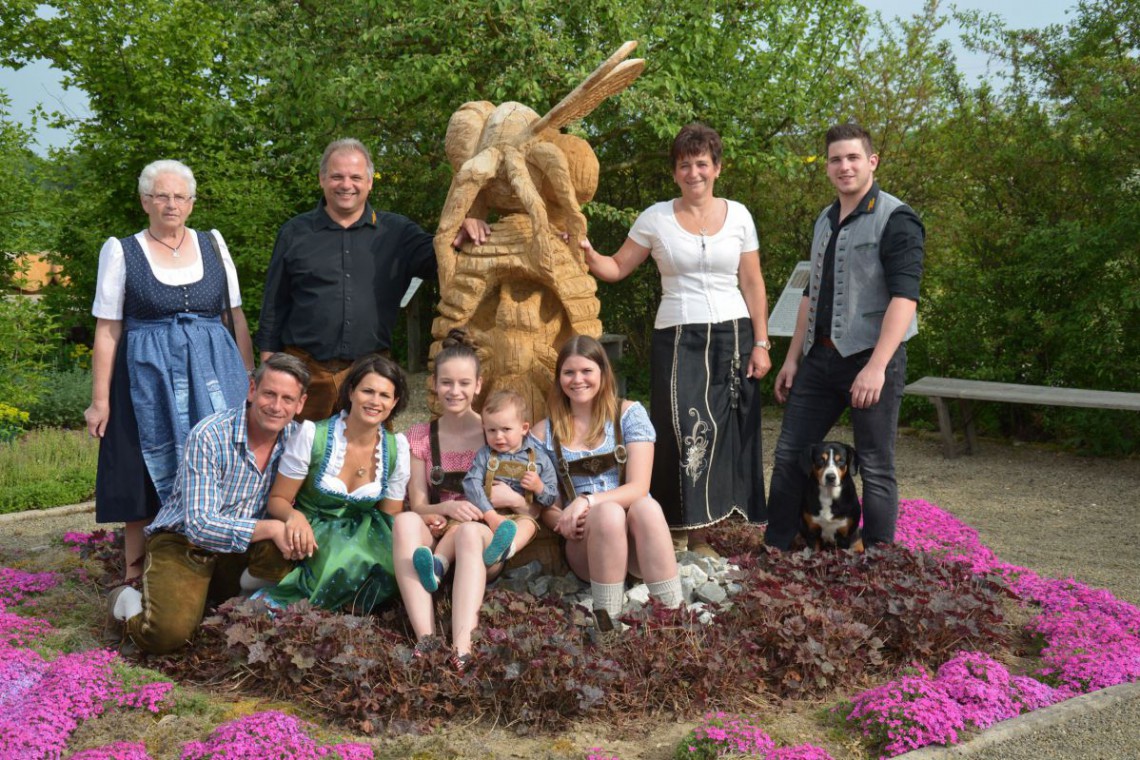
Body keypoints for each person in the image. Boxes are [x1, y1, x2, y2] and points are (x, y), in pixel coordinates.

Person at [580, 123, 770, 555]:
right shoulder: (655, 218)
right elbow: (616, 268)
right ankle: (686, 529)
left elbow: (753, 282)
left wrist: (761, 342)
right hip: (678, 334)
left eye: (702, 163)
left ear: (717, 168)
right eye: (685, 165)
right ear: (674, 173)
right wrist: (588, 253)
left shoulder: (739, 215)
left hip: (735, 333)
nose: (694, 173)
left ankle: (730, 518)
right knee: (683, 426)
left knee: (733, 426)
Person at [85, 159, 256, 584]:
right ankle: (137, 576)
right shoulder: (122, 251)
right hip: (147, 377)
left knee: (224, 463)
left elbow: (234, 316)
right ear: (145, 201)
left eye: (179, 196)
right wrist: (100, 400)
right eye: (161, 195)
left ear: (192, 203)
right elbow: (107, 330)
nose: (171, 204)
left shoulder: (213, 244)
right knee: (142, 468)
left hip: (214, 372)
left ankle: (223, 570)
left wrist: (250, 376)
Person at [764, 123, 924, 550]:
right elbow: (810, 292)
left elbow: (905, 299)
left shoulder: (898, 219)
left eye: (853, 157)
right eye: (836, 159)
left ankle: (878, 562)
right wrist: (793, 357)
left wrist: (876, 368)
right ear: (828, 168)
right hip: (820, 359)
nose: (844, 166)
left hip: (872, 358)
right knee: (789, 457)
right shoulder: (825, 218)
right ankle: (775, 550)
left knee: (874, 466)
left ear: (872, 161)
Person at [256, 138, 489, 421]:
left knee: (370, 459)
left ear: (369, 182)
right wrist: (268, 366)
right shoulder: (295, 232)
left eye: (355, 177)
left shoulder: (397, 232)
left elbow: (441, 256)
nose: (346, 185)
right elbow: (274, 304)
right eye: (337, 176)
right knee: (299, 458)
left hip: (370, 373)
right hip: (305, 371)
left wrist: (466, 225)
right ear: (322, 179)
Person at [105, 354, 310, 654]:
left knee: (286, 544)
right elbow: (200, 525)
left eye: (287, 398)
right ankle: (124, 600)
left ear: (300, 403)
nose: (276, 406)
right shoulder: (211, 435)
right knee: (167, 636)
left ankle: (238, 606)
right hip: (185, 543)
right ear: (252, 390)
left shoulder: (298, 439)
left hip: (241, 549)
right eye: (269, 393)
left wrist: (295, 518)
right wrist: (271, 527)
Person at [392, 330, 531, 671]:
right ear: (435, 384)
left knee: (469, 532)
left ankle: (462, 647)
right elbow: (419, 503)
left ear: (478, 386)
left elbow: (524, 498)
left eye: (464, 383)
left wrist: (513, 501)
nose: (455, 391)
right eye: (446, 383)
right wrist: (444, 508)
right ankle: (426, 640)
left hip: (482, 537)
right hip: (438, 530)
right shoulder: (420, 436)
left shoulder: (495, 430)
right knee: (405, 521)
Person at [535, 335, 682, 638]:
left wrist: (586, 500)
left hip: (639, 545)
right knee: (608, 515)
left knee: (646, 505)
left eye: (586, 371)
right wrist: (561, 523)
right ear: (559, 378)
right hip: (590, 549)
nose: (578, 380)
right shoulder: (545, 432)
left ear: (603, 373)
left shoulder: (629, 414)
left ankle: (674, 619)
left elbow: (640, 486)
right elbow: (545, 503)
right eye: (569, 372)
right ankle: (607, 624)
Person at [256, 354, 412, 612]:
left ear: (394, 402)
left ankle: (347, 616)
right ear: (351, 392)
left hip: (365, 531)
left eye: (384, 395)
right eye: (367, 391)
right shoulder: (312, 435)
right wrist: (294, 517)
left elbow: (390, 514)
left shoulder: (397, 448)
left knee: (394, 559)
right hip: (313, 527)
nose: (375, 401)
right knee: (341, 557)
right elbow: (278, 500)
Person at [460, 389, 557, 568]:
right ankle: (439, 561)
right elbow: (470, 482)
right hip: (488, 515)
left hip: (520, 515)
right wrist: (489, 513)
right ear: (484, 429)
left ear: (524, 428)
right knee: (463, 526)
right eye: (492, 430)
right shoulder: (485, 455)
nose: (498, 436)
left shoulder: (540, 459)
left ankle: (506, 549)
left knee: (529, 525)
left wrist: (538, 487)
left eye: (506, 429)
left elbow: (551, 497)